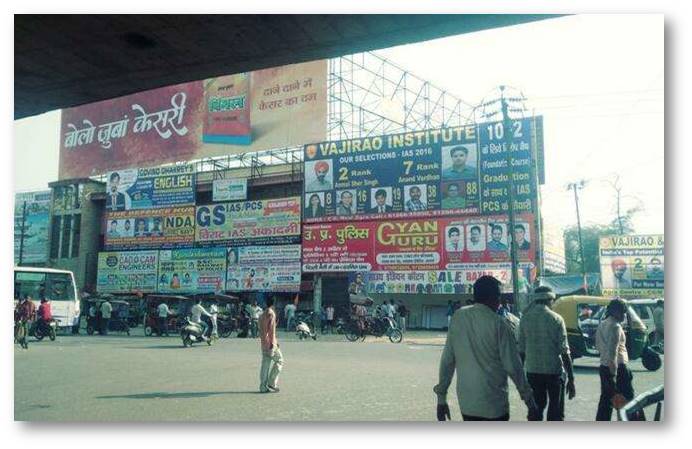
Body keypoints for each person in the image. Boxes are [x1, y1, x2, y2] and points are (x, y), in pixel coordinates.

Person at [434, 276, 537, 421]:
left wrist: (441, 399)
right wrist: (530, 402)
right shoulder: (499, 325)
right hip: (494, 407)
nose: (500, 302)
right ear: (493, 297)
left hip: (467, 405)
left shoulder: (458, 318)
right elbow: (514, 367)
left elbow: (447, 361)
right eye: (499, 296)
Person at [518, 287, 576, 421]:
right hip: (554, 372)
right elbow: (565, 352)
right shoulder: (556, 319)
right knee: (555, 412)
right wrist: (571, 379)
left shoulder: (525, 319)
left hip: (533, 372)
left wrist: (521, 377)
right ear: (549, 300)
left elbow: (521, 350)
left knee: (536, 410)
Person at [595, 298, 637, 421]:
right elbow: (612, 353)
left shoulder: (602, 324)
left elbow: (598, 346)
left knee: (606, 402)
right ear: (614, 311)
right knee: (629, 404)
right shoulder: (615, 327)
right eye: (623, 312)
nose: (624, 315)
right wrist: (613, 375)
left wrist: (608, 374)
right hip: (618, 369)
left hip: (604, 367)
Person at [259, 296, 283, 393]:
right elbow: (271, 331)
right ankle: (272, 382)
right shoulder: (271, 314)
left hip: (263, 343)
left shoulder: (261, 315)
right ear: (274, 303)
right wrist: (274, 344)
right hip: (270, 343)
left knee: (265, 365)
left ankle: (263, 387)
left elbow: (262, 331)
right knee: (280, 360)